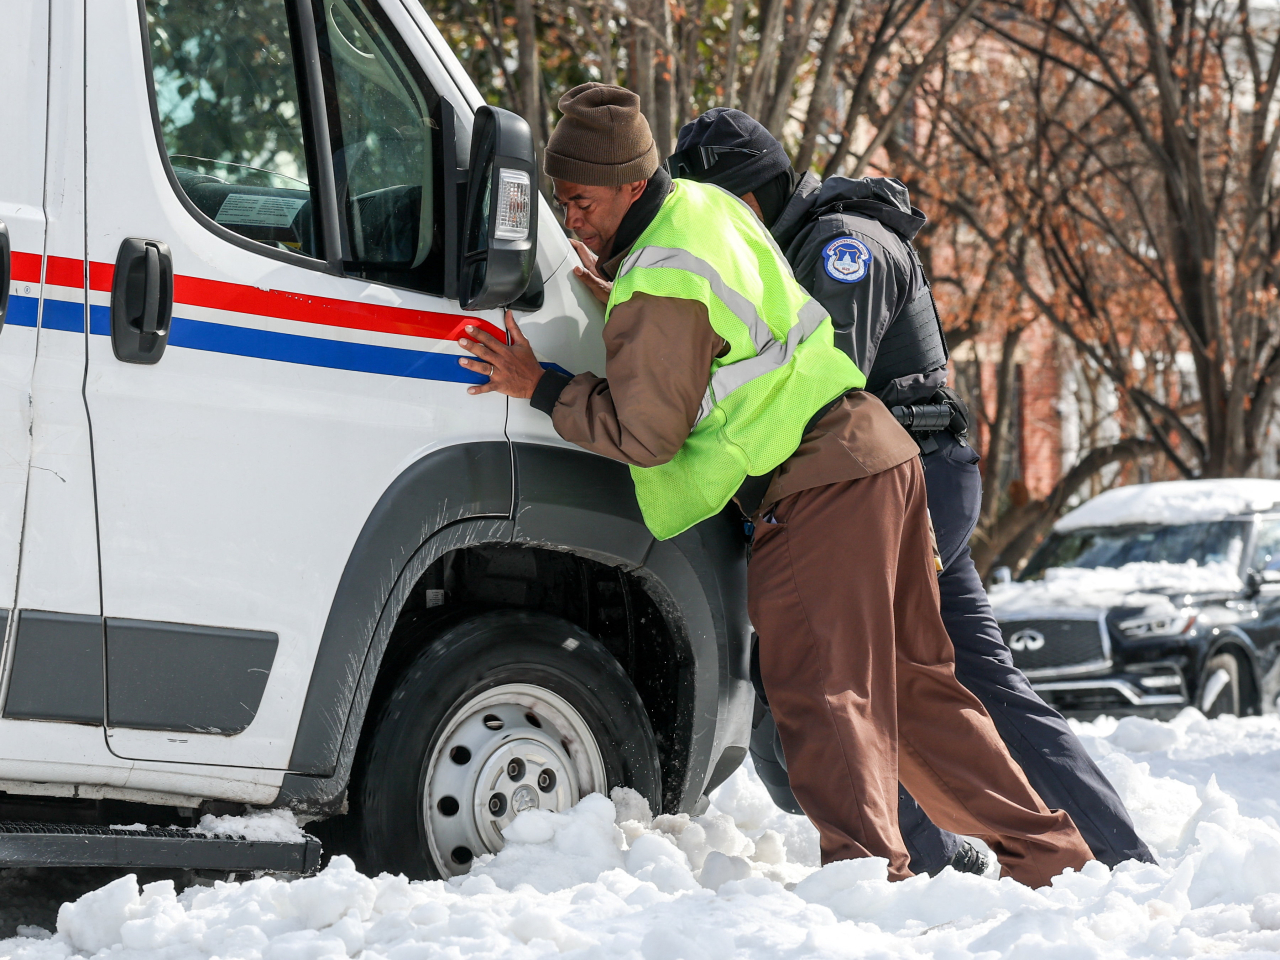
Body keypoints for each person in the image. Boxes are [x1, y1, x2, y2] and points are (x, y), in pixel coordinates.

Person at [458, 81, 1095, 886]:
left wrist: (541, 386)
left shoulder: (661, 276)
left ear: (630, 185)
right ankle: (1052, 858)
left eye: (581, 200)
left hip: (816, 485)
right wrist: (621, 298)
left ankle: (868, 877)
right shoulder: (704, 209)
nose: (570, 216)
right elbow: (722, 322)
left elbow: (647, 435)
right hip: (882, 459)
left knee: (821, 692)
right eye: (561, 199)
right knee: (917, 693)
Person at [670, 107, 1155, 875]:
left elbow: (814, 391)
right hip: (898, 481)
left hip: (893, 482)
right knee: (955, 684)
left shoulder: (843, 250)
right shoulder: (796, 247)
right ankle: (1078, 860)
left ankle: (959, 861)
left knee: (849, 684)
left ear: (746, 202)